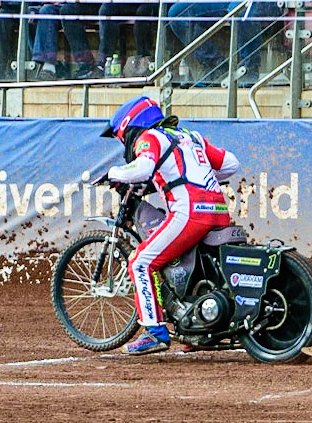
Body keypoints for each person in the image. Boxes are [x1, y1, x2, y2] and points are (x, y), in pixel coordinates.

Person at [96, 94, 240, 355]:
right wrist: (196, 174)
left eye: (121, 137)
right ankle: (196, 327)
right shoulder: (189, 136)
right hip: (218, 210)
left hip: (190, 213)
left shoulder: (150, 138)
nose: (124, 143)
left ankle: (154, 331)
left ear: (130, 127)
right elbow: (231, 164)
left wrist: (113, 173)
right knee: (197, 269)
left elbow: (142, 168)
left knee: (140, 262)